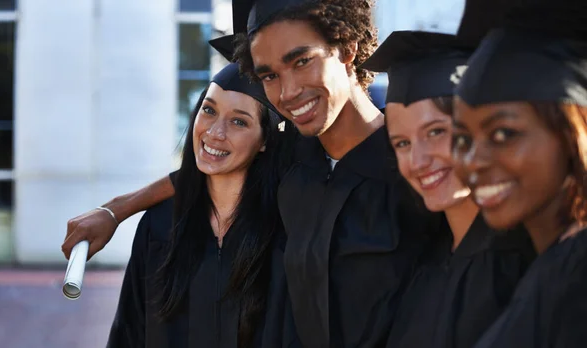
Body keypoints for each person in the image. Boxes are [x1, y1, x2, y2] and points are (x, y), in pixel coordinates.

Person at [66, 0, 432, 346]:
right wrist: (117, 210)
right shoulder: (297, 156)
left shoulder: (418, 168)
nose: (287, 91)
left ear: (347, 49)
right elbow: (205, 170)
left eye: (302, 60)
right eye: (269, 74)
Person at [107, 38, 300, 347]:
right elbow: (128, 334)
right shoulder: (160, 226)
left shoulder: (285, 234)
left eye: (239, 121)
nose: (215, 132)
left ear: (265, 140)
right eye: (209, 110)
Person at [360, 30, 536, 348]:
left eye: (437, 131)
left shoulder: (528, 263)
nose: (417, 160)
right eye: (402, 143)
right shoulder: (424, 259)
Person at [451, 1, 587, 346]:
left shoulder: (576, 277)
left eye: (503, 134)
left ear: (572, 133)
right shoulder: (544, 263)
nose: (473, 160)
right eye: (463, 138)